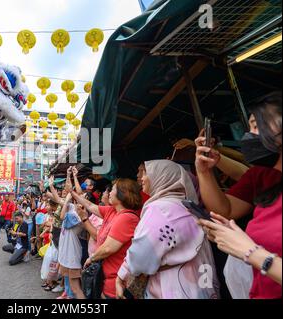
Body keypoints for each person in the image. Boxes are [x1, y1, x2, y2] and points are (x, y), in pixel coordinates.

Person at [199, 92, 282, 299]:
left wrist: (250, 251)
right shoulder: (265, 179)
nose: (250, 134)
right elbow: (225, 210)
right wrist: (203, 172)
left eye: (256, 125)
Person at [115, 160, 219, 299]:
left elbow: (140, 258)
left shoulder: (160, 209)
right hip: (199, 284)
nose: (142, 178)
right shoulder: (187, 206)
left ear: (162, 176)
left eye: (146, 173)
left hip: (172, 288)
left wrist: (122, 275)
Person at [72, 178, 143, 299]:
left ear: (122, 194)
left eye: (112, 190)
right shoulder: (112, 211)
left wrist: (92, 258)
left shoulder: (127, 218)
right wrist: (71, 192)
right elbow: (89, 205)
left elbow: (108, 248)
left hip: (117, 281)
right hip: (105, 277)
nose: (109, 192)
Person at [58, 192, 85, 299]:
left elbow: (61, 216)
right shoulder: (72, 210)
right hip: (67, 255)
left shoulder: (76, 216)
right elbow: (56, 199)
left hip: (72, 256)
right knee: (69, 284)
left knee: (76, 288)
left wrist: (67, 200)